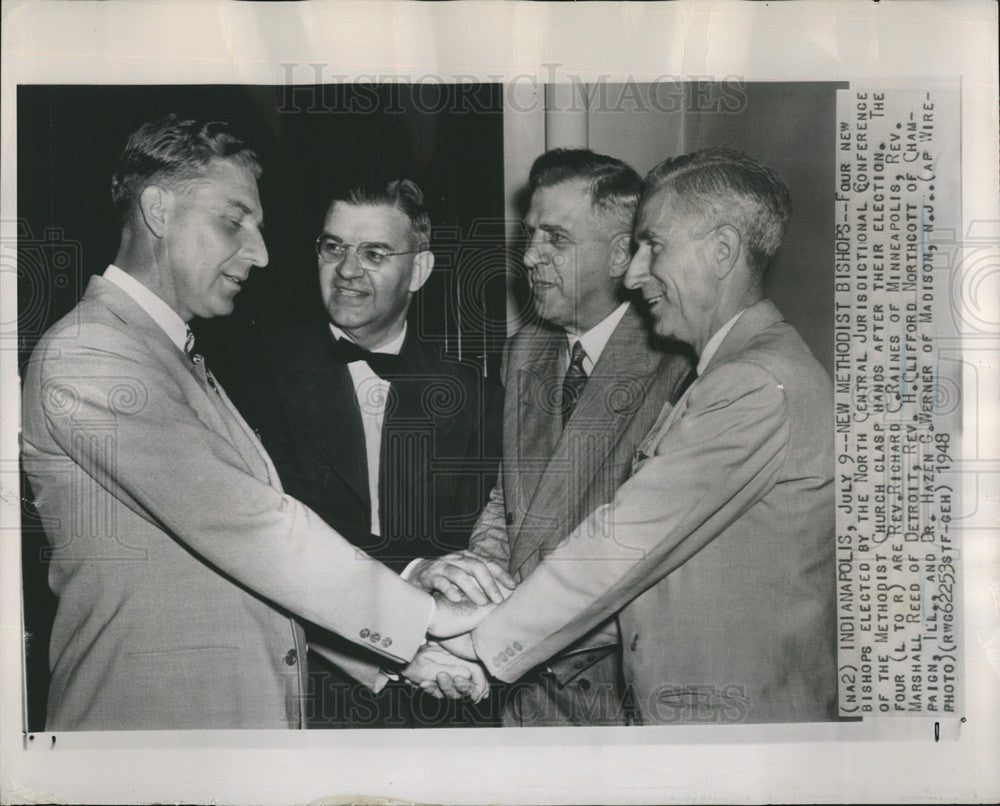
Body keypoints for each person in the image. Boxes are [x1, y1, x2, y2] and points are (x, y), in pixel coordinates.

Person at [19, 114, 490, 731]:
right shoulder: (93, 354)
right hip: (153, 734)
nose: (262, 254)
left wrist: (400, 659)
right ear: (158, 211)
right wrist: (423, 613)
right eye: (233, 221)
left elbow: (240, 568)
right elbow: (252, 527)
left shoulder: (170, 355)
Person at [448, 148, 837, 724]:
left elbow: (619, 546)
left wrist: (478, 648)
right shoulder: (739, 370)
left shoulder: (752, 384)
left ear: (722, 251)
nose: (633, 273)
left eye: (653, 246)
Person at [408, 149, 693, 726]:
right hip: (520, 696)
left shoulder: (677, 362)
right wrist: (472, 589)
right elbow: (507, 503)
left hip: (616, 699)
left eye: (555, 239)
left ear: (620, 255)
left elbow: (649, 561)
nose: (528, 256)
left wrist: (488, 643)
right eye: (530, 233)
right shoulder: (526, 350)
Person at [229, 179, 505, 727]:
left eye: (374, 253)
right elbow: (258, 545)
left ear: (420, 270)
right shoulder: (249, 373)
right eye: (333, 247)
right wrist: (410, 581)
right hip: (304, 685)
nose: (348, 270)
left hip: (442, 692)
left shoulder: (473, 394)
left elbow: (479, 539)